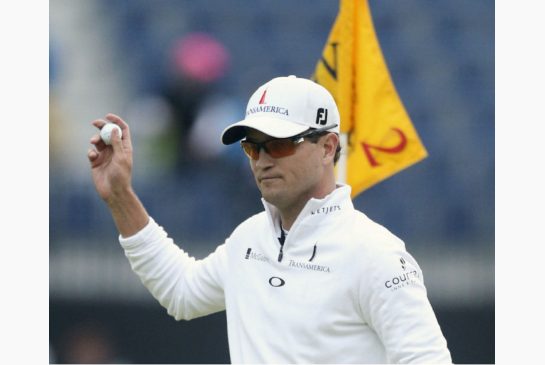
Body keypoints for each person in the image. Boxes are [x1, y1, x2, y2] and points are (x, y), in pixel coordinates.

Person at [87, 75, 452, 363]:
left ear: (327, 148)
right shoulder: (249, 237)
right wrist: (120, 196)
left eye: (279, 144)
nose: (262, 159)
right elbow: (182, 293)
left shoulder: (377, 255)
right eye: (252, 146)